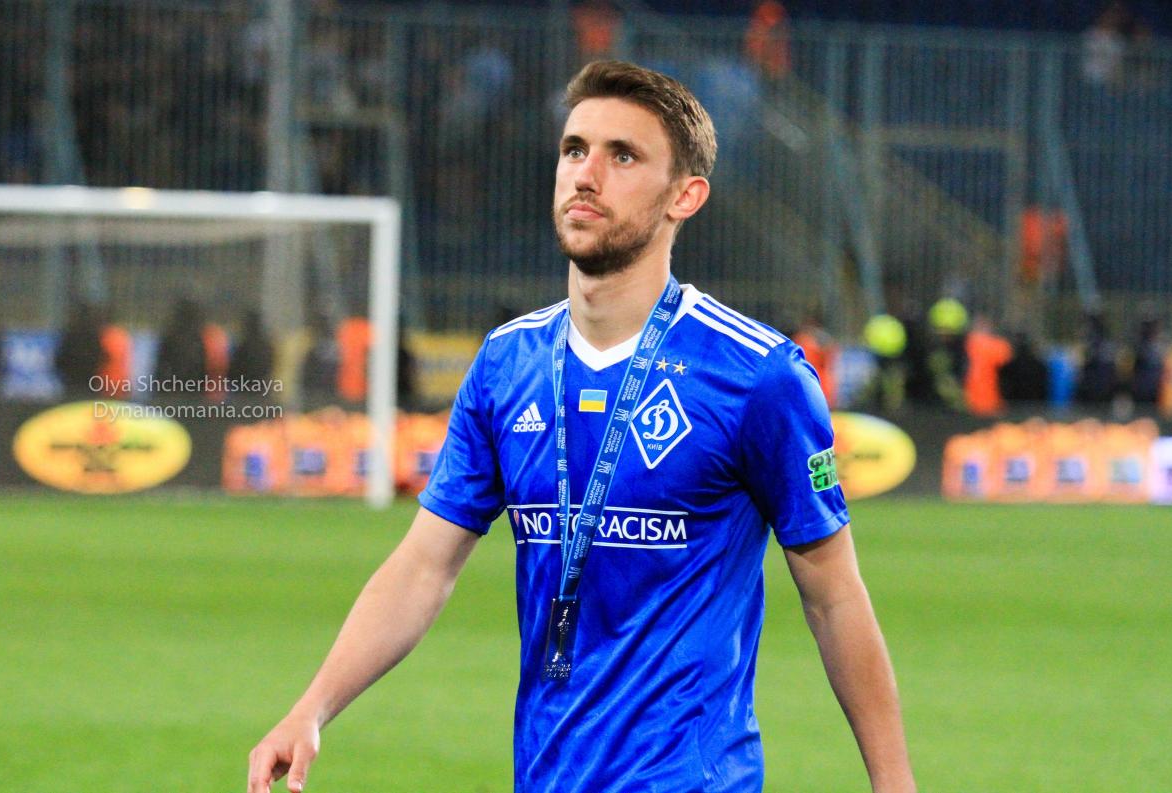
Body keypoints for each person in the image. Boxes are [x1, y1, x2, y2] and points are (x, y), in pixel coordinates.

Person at [247, 60, 915, 793]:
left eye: (622, 156)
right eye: (574, 149)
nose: (586, 175)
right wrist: (312, 708)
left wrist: (894, 783)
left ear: (685, 196)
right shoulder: (507, 364)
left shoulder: (757, 376)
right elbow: (423, 566)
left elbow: (834, 595)